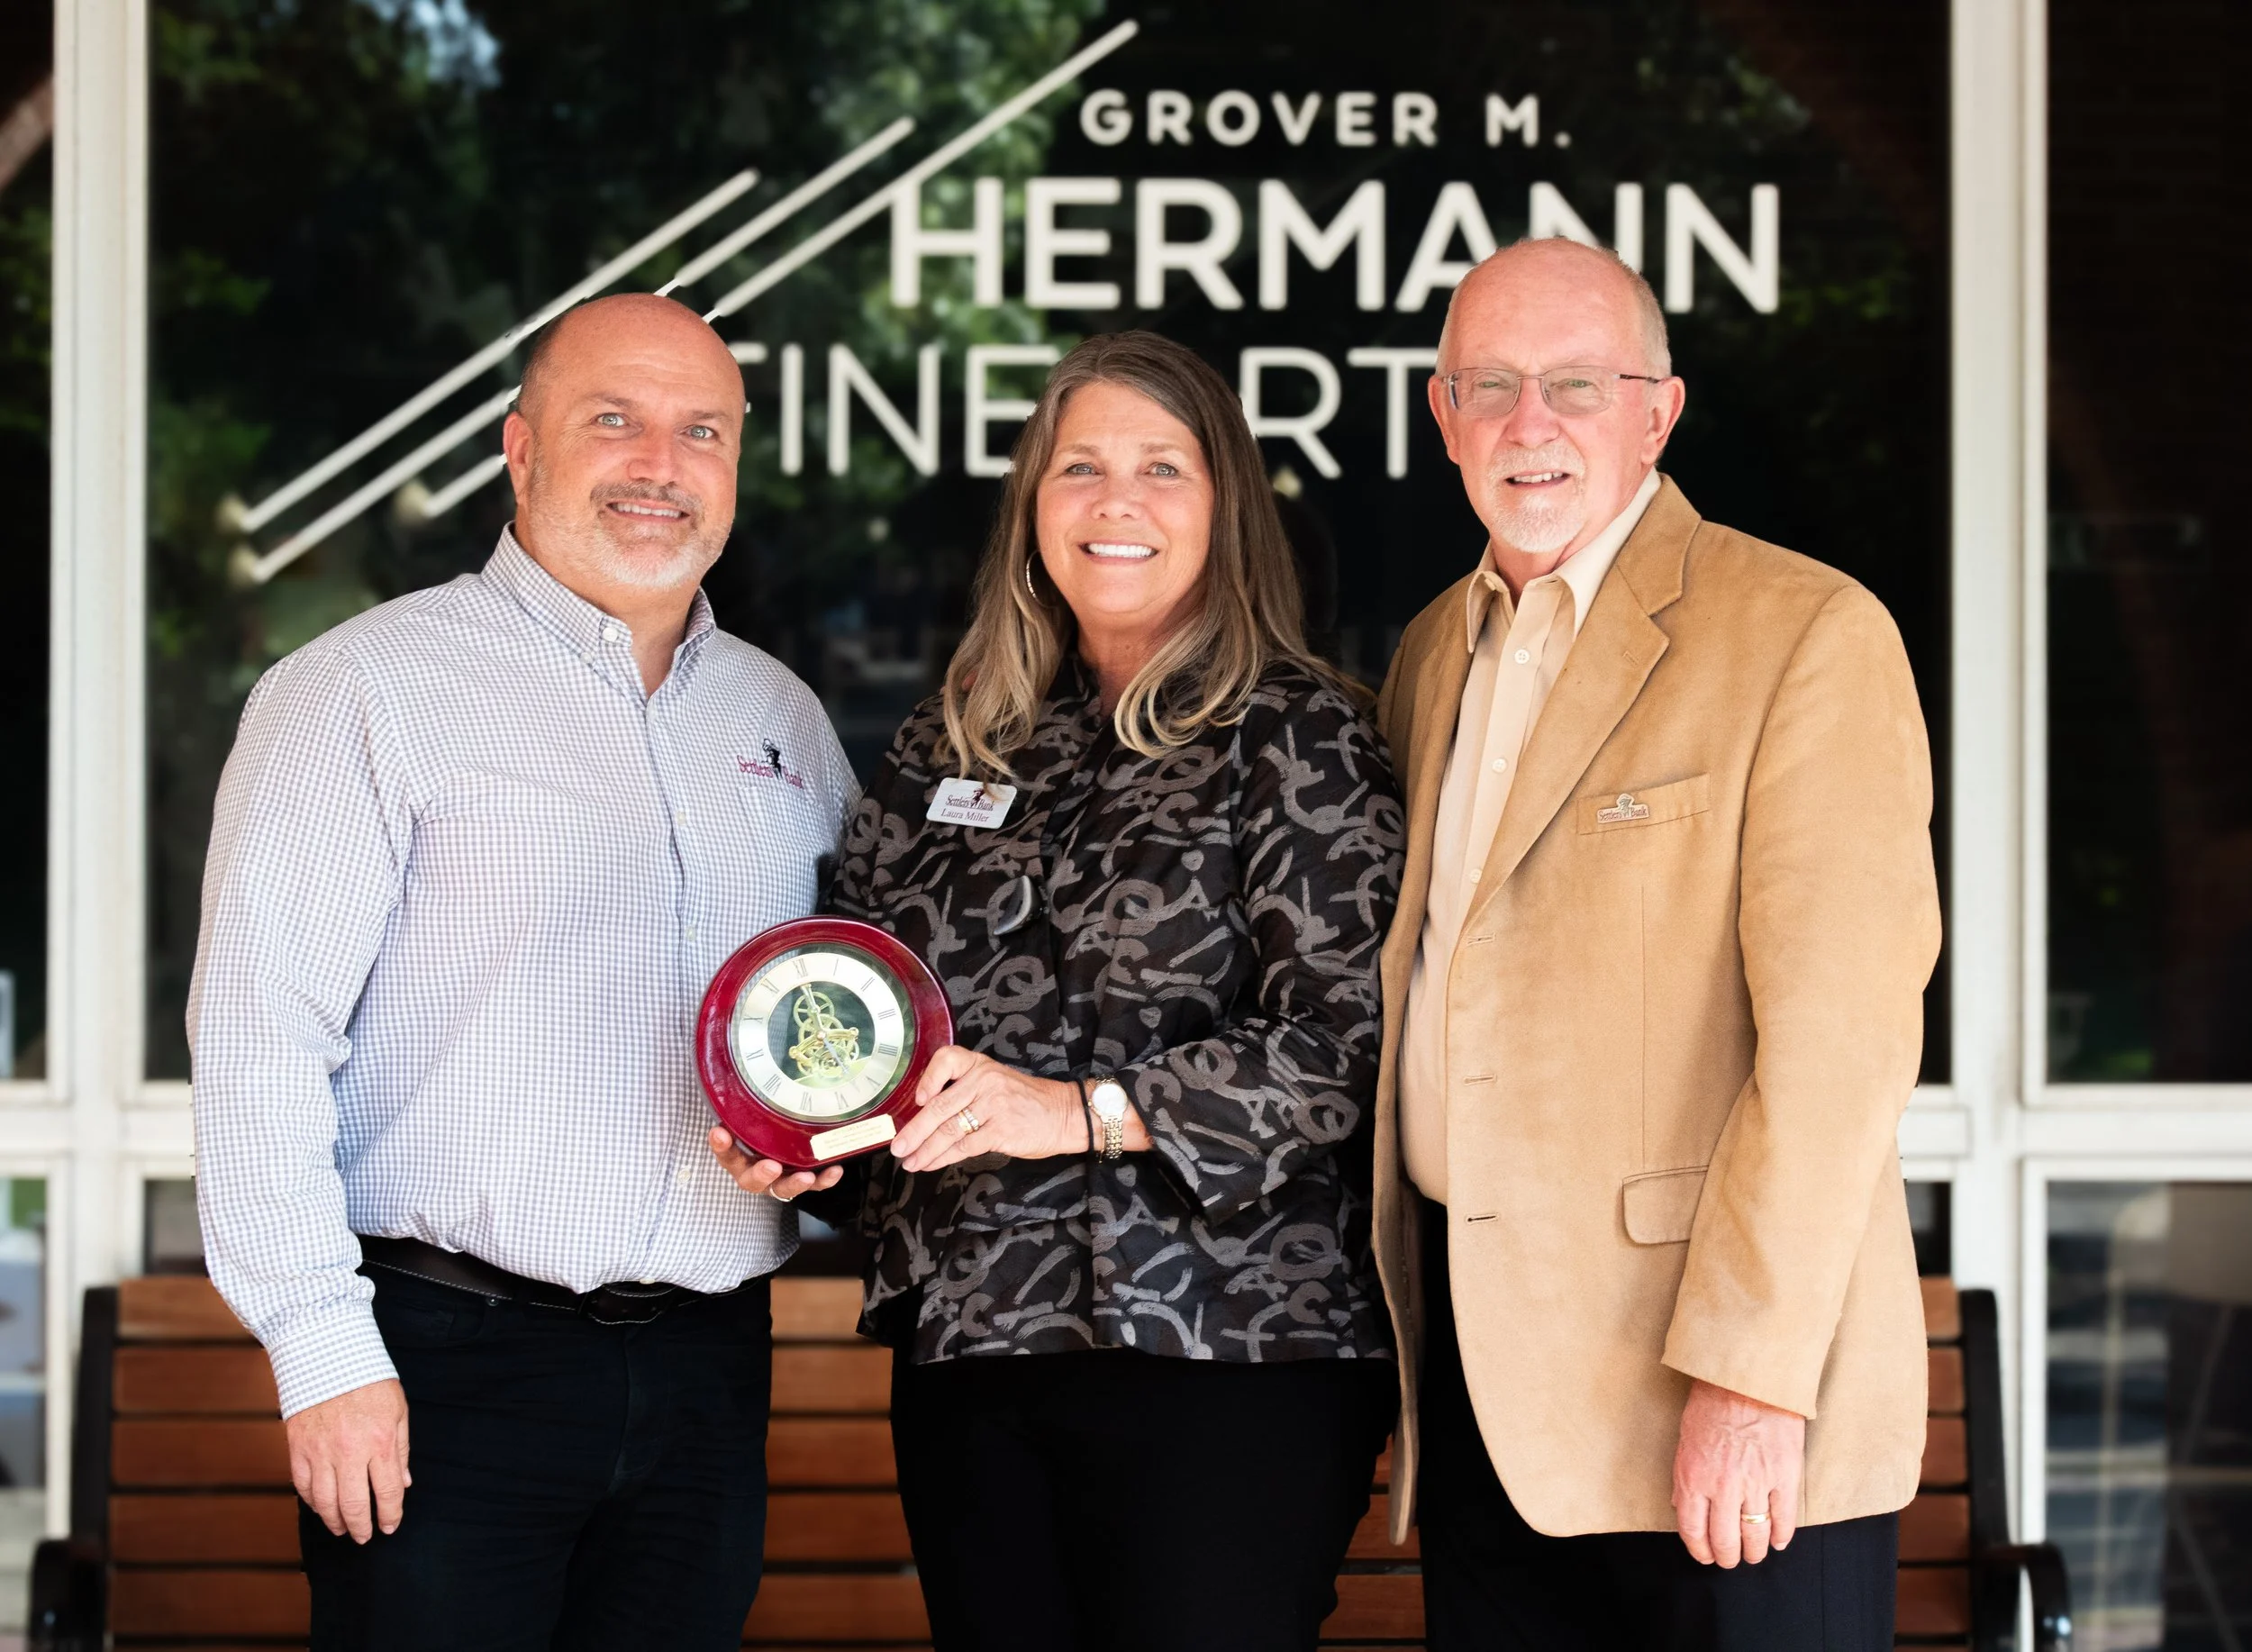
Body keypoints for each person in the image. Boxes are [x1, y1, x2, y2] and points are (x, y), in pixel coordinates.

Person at [711, 330, 1403, 1652]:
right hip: (977, 1343)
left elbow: (1344, 1047)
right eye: (1078, 466)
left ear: (1226, 507)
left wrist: (1078, 1109)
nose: (1116, 501)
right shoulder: (942, 747)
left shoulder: (1299, 735)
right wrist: (804, 1143)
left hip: (1231, 1348)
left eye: (1162, 467)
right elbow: (867, 1036)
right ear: (1034, 507)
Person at [189, 293, 854, 1652]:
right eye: (614, 419)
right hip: (444, 1363)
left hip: (707, 1369)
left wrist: (831, 1150)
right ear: (520, 446)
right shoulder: (364, 690)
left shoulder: (781, 717)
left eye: (701, 430)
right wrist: (324, 1355)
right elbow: (258, 1037)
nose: (659, 463)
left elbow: (837, 1015)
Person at [1373, 238, 1941, 1650]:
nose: (1530, 423)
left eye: (1577, 382)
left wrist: (1752, 1380)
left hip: (1718, 1409)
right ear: (1441, 417)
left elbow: (1840, 1048)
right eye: (1489, 385)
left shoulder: (1804, 630)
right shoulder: (1433, 652)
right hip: (1492, 1407)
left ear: (1658, 411)